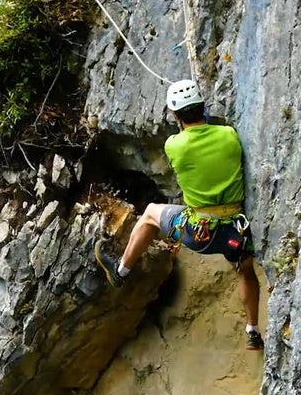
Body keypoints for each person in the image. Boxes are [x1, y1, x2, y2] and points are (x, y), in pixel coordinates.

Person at [95, 79, 264, 350]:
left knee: (150, 213)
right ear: (202, 106)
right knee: (245, 272)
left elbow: (185, 142)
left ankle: (121, 271)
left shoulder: (175, 145)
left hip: (200, 234)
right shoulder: (229, 136)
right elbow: (215, 131)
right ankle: (253, 331)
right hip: (236, 232)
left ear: (175, 115)